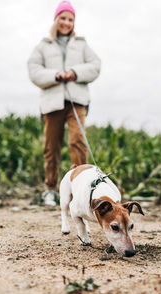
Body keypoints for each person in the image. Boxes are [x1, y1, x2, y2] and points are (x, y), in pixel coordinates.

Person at [28, 1, 101, 206]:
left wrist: (75, 73)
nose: (66, 23)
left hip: (76, 102)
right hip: (52, 102)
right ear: (56, 19)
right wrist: (55, 75)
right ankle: (50, 189)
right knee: (51, 146)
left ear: (73, 22)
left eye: (70, 19)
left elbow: (95, 66)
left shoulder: (82, 44)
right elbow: (34, 70)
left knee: (77, 141)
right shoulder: (43, 45)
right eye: (63, 18)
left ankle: (82, 188)